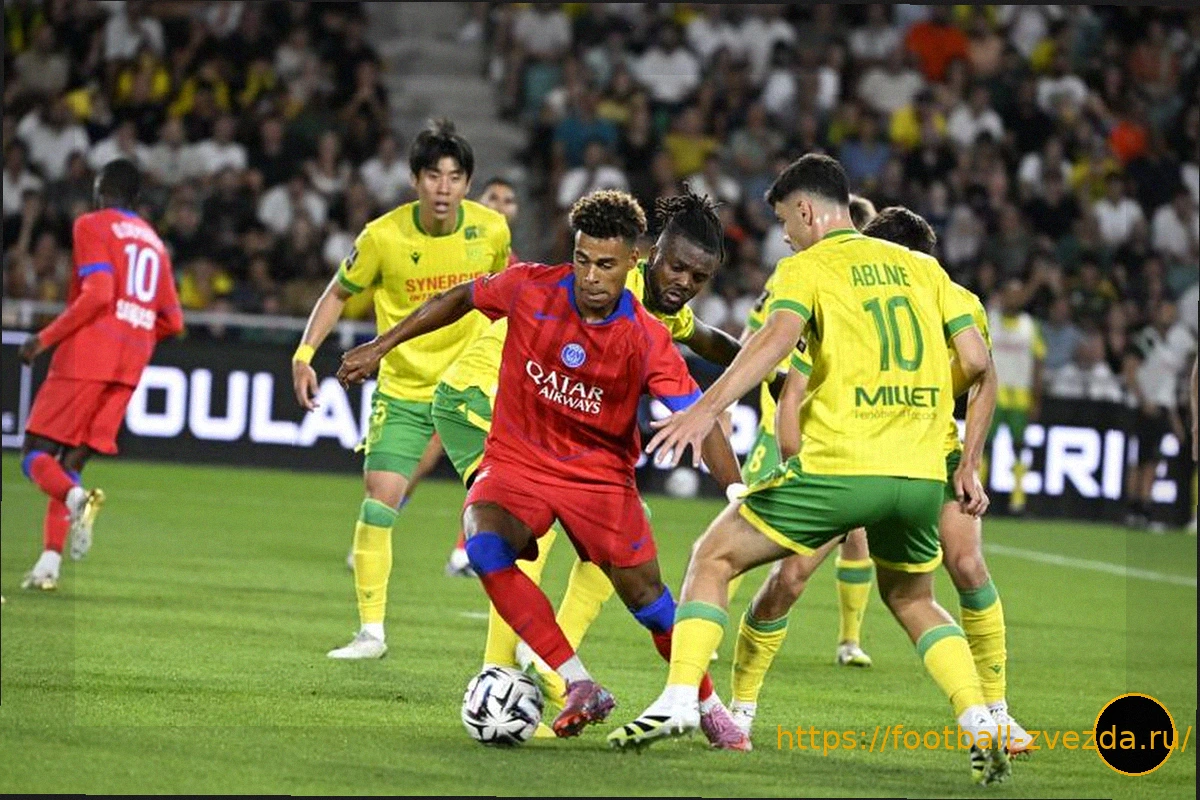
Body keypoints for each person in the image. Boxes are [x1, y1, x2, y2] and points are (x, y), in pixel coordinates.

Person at [608, 155, 1010, 787]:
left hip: (842, 464)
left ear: (804, 209)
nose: (786, 237)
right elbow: (979, 362)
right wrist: (961, 444)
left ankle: (681, 699)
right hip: (920, 473)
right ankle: (981, 722)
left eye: (783, 222)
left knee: (713, 557)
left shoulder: (808, 267)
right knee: (914, 598)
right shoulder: (927, 270)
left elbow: (773, 341)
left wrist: (706, 408)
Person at [337, 190, 748, 746]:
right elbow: (462, 296)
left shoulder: (650, 326)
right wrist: (380, 345)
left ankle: (708, 704)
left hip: (597, 474)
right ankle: (563, 677)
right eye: (583, 260)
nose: (592, 276)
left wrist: (738, 490)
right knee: (487, 543)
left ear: (629, 260)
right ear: (647, 258)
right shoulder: (536, 286)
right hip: (507, 436)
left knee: (649, 603)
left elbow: (701, 397)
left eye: (697, 276)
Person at [726, 206, 1030, 754]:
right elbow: (794, 392)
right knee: (796, 578)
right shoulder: (845, 297)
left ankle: (996, 713)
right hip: (846, 454)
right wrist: (798, 461)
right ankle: (740, 712)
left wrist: (968, 462)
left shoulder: (954, 298)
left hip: (927, 454)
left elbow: (984, 376)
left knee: (964, 565)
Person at [291, 119, 510, 660]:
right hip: (405, 390)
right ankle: (371, 633)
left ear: (468, 184)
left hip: (471, 390)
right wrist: (304, 354)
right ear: (415, 180)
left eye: (454, 178)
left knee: (506, 510)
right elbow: (337, 293)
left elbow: (510, 295)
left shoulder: (491, 231)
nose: (443, 188)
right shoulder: (382, 237)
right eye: (433, 176)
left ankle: (518, 640)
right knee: (379, 500)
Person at [18, 158, 183, 591]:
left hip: (86, 357)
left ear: (100, 190)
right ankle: (49, 565)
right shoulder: (154, 243)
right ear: (137, 198)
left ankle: (77, 502)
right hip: (128, 366)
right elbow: (173, 321)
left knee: (34, 454)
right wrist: (134, 333)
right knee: (69, 463)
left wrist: (43, 339)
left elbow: (98, 294)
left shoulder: (92, 225)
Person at [734, 192, 880, 674]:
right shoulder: (793, 276)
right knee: (745, 521)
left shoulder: (867, 290)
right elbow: (753, 341)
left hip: (841, 433)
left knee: (856, 533)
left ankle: (849, 640)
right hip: (782, 422)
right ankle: (713, 629)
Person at [986, 278, 1045, 514]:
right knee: (984, 446)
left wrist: (1036, 398)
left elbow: (1038, 362)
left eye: (1018, 294)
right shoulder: (990, 320)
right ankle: (977, 495)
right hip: (994, 393)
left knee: (1019, 448)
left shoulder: (1030, 325)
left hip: (1020, 396)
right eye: (1010, 294)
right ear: (1002, 296)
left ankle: (1018, 500)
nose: (1014, 299)